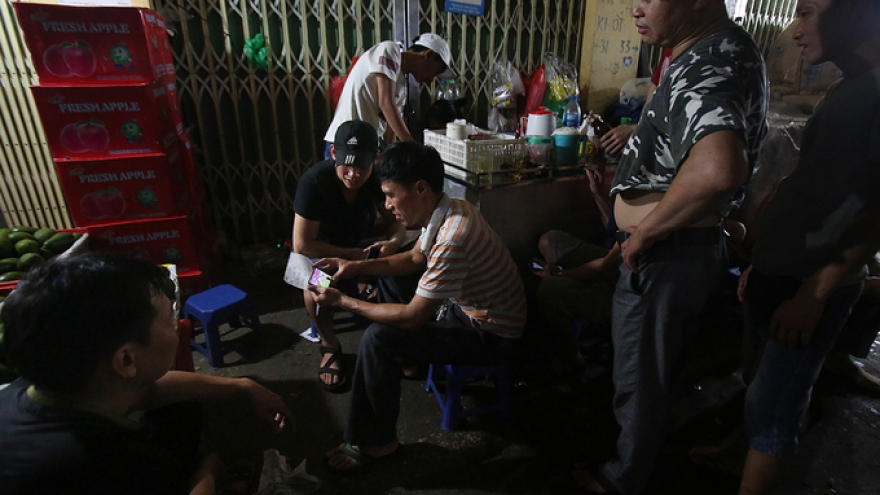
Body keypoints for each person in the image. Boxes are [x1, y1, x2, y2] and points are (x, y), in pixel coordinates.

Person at [574, 0, 769, 492]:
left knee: (639, 380)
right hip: (676, 251)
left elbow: (718, 168)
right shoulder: (706, 52)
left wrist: (645, 231)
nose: (636, 7)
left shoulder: (711, 60)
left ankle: (623, 481)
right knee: (652, 373)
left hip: (666, 256)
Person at [308, 141, 527, 471]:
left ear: (421, 189)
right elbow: (413, 258)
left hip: (490, 334)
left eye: (391, 195)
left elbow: (411, 318)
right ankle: (410, 362)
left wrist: (343, 301)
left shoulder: (454, 235)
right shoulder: (449, 207)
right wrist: (354, 266)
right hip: (468, 310)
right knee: (388, 274)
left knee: (379, 339)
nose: (388, 206)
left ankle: (376, 443)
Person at [0, 253, 294, 495]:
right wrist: (206, 473)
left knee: (181, 404)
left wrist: (243, 386)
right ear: (126, 359)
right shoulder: (121, 465)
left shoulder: (40, 383)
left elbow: (151, 390)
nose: (179, 326)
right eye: (169, 320)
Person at [736, 1, 880, 493]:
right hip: (785, 270)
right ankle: (738, 458)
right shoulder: (849, 86)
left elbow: (875, 213)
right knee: (759, 394)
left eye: (809, 12)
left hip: (807, 283)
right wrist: (764, 261)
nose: (795, 31)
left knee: (775, 412)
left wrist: (814, 295)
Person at [293, 120, 407, 392]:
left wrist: (393, 241)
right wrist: (351, 257)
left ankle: (396, 341)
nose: (354, 174)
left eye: (363, 166)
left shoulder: (376, 179)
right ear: (333, 154)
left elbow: (396, 222)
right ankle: (329, 343)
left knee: (402, 271)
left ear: (375, 159)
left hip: (359, 249)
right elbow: (302, 244)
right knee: (316, 288)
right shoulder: (314, 182)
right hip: (320, 254)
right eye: (348, 164)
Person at [533, 165, 620, 370]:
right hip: (612, 257)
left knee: (549, 290)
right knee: (550, 241)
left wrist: (562, 275)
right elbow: (616, 228)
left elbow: (607, 267)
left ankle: (572, 362)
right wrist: (597, 194)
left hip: (626, 282)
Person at [323, 33, 456, 156]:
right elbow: (386, 103)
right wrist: (413, 148)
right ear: (429, 55)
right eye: (436, 71)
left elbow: (390, 130)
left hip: (365, 148)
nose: (431, 79)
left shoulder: (401, 86)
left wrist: (390, 154)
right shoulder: (389, 50)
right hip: (345, 143)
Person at [599, 48, 672, 156]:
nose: (638, 30)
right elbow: (654, 90)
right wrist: (640, 127)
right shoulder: (670, 50)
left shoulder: (696, 58)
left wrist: (635, 129)